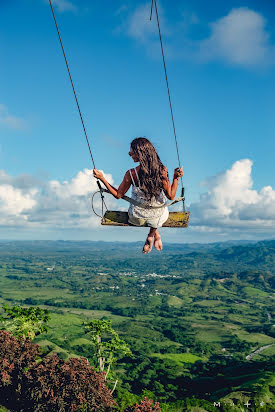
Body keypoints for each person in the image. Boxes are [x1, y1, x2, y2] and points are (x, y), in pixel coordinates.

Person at [93, 137, 183, 254]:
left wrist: (102, 178)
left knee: (146, 213)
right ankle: (152, 234)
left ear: (140, 153)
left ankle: (152, 234)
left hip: (137, 218)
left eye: (131, 152)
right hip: (158, 217)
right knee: (158, 212)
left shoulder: (131, 174)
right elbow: (171, 196)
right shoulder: (161, 170)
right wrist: (176, 178)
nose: (130, 154)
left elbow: (118, 195)